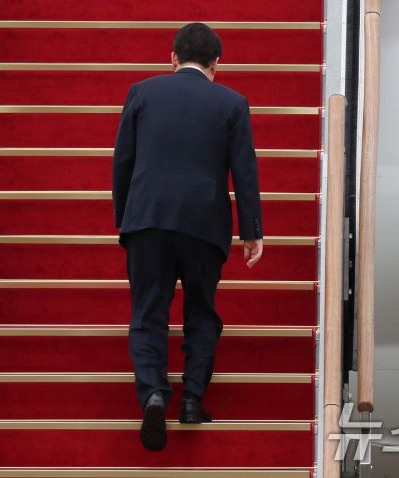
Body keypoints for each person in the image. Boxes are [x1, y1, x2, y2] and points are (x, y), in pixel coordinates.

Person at [112, 22, 264, 452]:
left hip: (148, 220)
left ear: (173, 58)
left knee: (148, 311)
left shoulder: (142, 93)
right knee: (201, 310)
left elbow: (123, 160)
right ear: (216, 63)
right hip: (204, 224)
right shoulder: (232, 103)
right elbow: (244, 170)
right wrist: (251, 230)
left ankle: (153, 394)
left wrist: (125, 216)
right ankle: (193, 397)